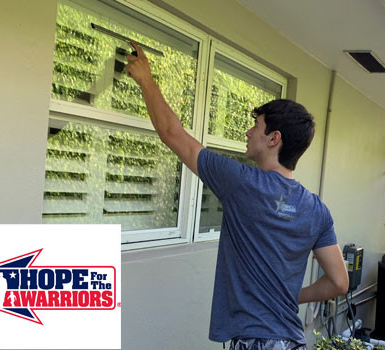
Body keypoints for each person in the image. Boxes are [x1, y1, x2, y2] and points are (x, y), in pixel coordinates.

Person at [125, 42, 349, 350]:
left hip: (255, 342)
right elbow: (338, 282)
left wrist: (145, 79)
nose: (247, 133)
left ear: (274, 139)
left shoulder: (243, 183)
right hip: (291, 341)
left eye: (255, 126)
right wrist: (291, 296)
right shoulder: (316, 209)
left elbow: (172, 134)